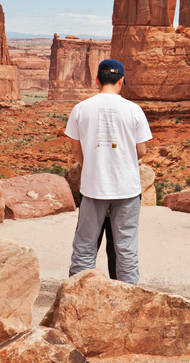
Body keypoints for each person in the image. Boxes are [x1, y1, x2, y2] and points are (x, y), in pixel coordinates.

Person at [66, 59, 152, 284]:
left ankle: (76, 299)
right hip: (127, 190)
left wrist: (92, 166)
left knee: (84, 248)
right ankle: (128, 302)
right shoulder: (134, 110)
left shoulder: (80, 108)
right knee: (126, 251)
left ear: (97, 80)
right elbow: (141, 150)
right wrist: (122, 161)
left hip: (93, 188)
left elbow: (76, 150)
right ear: (122, 80)